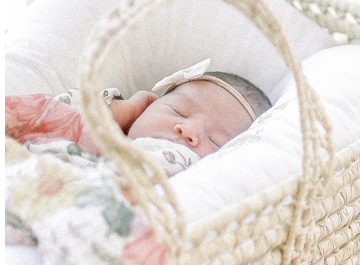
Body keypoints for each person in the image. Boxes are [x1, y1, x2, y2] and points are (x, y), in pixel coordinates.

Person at [6, 63, 271, 176]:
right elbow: (46, 114)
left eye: (215, 139)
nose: (187, 129)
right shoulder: (108, 117)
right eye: (178, 111)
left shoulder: (184, 171)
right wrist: (125, 111)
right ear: (150, 103)